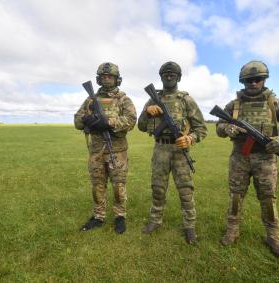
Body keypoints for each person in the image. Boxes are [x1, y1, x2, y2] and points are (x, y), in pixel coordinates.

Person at [216, 60, 279, 260]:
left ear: (264, 80)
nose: (253, 83)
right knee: (236, 196)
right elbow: (219, 126)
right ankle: (232, 231)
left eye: (257, 79)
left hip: (266, 158)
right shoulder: (234, 105)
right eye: (249, 80)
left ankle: (273, 237)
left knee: (268, 200)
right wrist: (227, 128)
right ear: (242, 82)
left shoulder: (276, 103)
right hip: (240, 156)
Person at [138, 61, 208, 244]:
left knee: (185, 189)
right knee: (158, 187)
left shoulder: (186, 100)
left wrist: (190, 139)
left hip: (180, 150)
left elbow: (201, 129)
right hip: (160, 148)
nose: (169, 77)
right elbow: (141, 126)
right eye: (165, 74)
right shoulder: (152, 99)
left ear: (178, 77)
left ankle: (189, 226)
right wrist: (147, 112)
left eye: (172, 74)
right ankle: (155, 221)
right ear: (161, 77)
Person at [74, 62, 137, 234]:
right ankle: (98, 216)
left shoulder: (124, 99)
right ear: (98, 79)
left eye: (110, 76)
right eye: (104, 76)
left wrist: (108, 122)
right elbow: (77, 121)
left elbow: (131, 120)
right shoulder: (90, 100)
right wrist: (89, 120)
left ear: (117, 79)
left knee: (118, 185)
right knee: (97, 185)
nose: (107, 79)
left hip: (117, 151)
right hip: (96, 150)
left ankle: (120, 216)